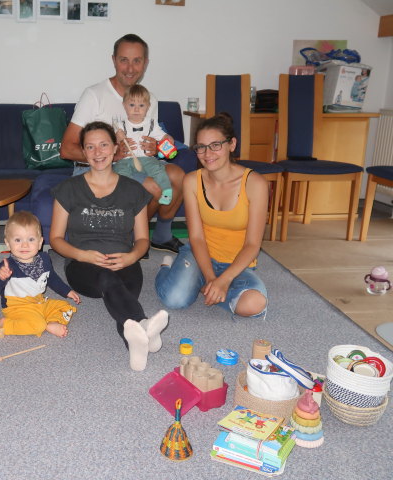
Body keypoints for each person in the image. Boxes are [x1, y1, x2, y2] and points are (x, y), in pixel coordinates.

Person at [51, 121, 169, 371]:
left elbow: (143, 239)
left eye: (104, 145)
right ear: (83, 152)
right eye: (90, 147)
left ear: (116, 149)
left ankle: (138, 341)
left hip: (125, 262)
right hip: (82, 266)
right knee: (107, 278)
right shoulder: (68, 189)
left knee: (120, 294)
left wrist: (130, 258)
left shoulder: (133, 190)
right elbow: (56, 239)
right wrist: (81, 254)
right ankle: (143, 324)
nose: (97, 152)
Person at [60, 33, 185, 254]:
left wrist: (157, 149)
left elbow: (152, 141)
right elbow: (66, 149)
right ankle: (135, 239)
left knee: (179, 176)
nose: (130, 68)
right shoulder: (94, 95)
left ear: (145, 63)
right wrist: (109, 156)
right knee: (154, 188)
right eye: (123, 60)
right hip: (94, 166)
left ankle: (162, 235)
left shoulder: (148, 99)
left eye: (137, 60)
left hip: (135, 162)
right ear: (113, 60)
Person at [155, 113, 268, 318]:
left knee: (254, 305)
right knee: (175, 299)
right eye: (200, 147)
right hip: (201, 256)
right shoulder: (191, 181)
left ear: (231, 144)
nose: (207, 154)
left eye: (215, 145)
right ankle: (166, 267)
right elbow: (196, 237)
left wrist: (223, 280)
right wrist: (210, 278)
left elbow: (252, 244)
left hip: (237, 264)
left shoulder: (256, 184)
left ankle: (209, 289)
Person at [0, 211, 80, 338]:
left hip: (38, 302)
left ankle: (52, 322)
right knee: (38, 325)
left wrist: (67, 291)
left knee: (65, 307)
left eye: (31, 239)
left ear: (40, 242)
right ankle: (4, 324)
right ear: (8, 243)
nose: (25, 244)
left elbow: (52, 278)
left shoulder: (44, 260)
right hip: (17, 308)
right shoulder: (7, 266)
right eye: (18, 240)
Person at [113, 84, 173, 205]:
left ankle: (167, 191)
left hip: (146, 159)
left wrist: (168, 139)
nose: (136, 109)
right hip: (125, 160)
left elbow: (164, 137)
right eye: (132, 105)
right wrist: (117, 138)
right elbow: (112, 144)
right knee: (120, 172)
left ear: (148, 107)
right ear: (124, 105)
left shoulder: (151, 124)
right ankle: (126, 195)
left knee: (158, 170)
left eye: (141, 105)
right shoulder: (120, 125)